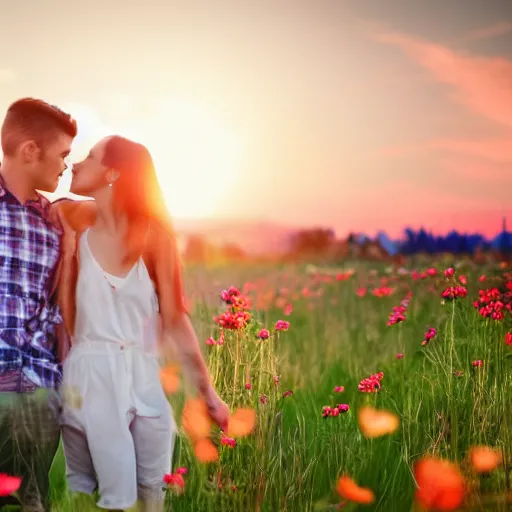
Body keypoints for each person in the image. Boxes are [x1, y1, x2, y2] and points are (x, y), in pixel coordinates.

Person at [52, 135, 229, 511]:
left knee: (154, 495)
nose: (77, 164)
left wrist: (207, 393)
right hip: (90, 372)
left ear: (113, 173)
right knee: (112, 499)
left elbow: (176, 319)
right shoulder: (72, 222)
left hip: (143, 374)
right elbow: (51, 207)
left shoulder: (155, 238)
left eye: (90, 156)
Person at [0, 98, 77, 511]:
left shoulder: (53, 223)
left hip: (34, 392)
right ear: (31, 150)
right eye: (63, 154)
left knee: (29, 502)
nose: (66, 166)